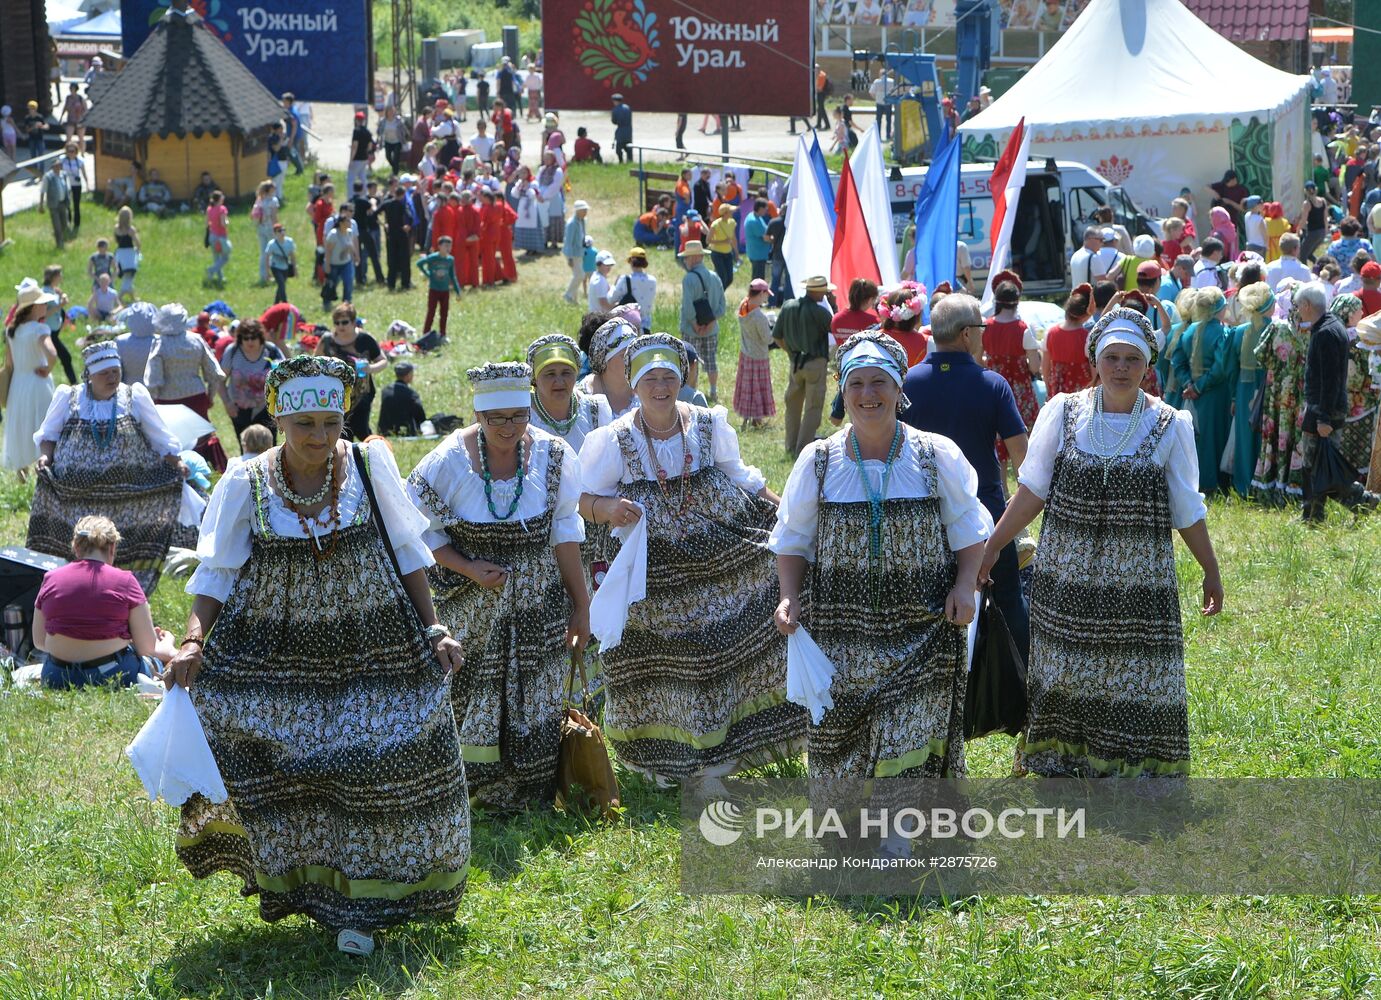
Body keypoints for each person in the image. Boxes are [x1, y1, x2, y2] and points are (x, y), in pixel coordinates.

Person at [169, 354, 469, 956]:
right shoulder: (247, 481)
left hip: (373, 643)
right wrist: (194, 640)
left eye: (332, 424)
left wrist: (435, 629)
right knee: (303, 772)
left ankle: (370, 900)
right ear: (279, 420)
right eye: (306, 424)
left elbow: (409, 553)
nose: (321, 438)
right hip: (276, 654)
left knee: (379, 766)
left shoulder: (367, 464)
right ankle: (316, 893)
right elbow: (219, 572)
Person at [980, 308, 1223, 779]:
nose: (1121, 368)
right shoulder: (1063, 412)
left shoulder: (1172, 424)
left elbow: (1187, 509)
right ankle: (1062, 757)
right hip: (1066, 575)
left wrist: (1210, 569)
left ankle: (1130, 764)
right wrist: (993, 545)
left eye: (1132, 358)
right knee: (1065, 668)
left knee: (1133, 672)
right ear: (1095, 360)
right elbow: (1032, 491)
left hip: (1139, 581)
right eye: (1112, 357)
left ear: (1147, 364)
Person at [577, 334, 796, 785]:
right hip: (652, 571)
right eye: (650, 379)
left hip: (720, 557)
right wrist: (608, 509)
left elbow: (744, 479)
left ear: (681, 380)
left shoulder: (707, 423)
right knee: (673, 658)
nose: (661, 387)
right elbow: (579, 498)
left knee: (726, 645)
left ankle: (728, 751)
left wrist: (788, 519)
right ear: (633, 385)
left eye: (669, 378)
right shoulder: (614, 440)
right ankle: (667, 760)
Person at [773, 329, 989, 783]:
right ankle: (850, 823)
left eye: (879, 383)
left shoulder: (935, 456)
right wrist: (789, 596)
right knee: (841, 735)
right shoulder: (819, 461)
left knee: (908, 729)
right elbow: (793, 539)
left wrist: (965, 585)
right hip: (841, 630)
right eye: (856, 384)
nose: (868, 395)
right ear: (842, 390)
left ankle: (900, 831)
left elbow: (969, 528)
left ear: (898, 388)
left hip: (922, 624)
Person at [404, 361, 589, 808]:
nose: (510, 428)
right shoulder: (447, 462)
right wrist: (468, 567)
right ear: (478, 417)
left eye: (519, 415)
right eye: (497, 419)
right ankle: (476, 795)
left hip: (538, 602)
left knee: (537, 689)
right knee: (473, 693)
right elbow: (419, 534)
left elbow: (564, 531)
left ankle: (533, 791)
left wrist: (581, 604)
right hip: (472, 604)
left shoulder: (553, 455)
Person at [903, 293, 1031, 661]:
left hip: (924, 514)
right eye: (981, 327)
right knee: (1008, 599)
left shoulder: (906, 383)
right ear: (964, 334)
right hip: (985, 514)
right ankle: (1017, 693)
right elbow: (1022, 456)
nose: (984, 334)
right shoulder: (991, 384)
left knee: (928, 608)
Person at [30, 340, 190, 593]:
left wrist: (177, 462)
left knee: (119, 550)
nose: (112, 377)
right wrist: (45, 457)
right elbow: (49, 434)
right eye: (105, 373)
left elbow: (160, 436)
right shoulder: (69, 397)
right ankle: (74, 594)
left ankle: (121, 598)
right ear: (90, 376)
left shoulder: (134, 397)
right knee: (80, 547)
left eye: (115, 371)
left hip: (126, 499)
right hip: (75, 497)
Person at [32, 515, 174, 689]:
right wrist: (166, 644)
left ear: (76, 547)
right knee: (152, 662)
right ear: (112, 548)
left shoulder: (51, 578)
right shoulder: (126, 581)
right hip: (111, 674)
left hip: (57, 676)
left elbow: (39, 641)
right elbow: (147, 648)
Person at [1296, 287, 1381, 521]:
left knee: (1318, 465)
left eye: (1298, 307)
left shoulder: (1325, 332)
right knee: (1317, 464)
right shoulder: (1331, 326)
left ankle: (1362, 500)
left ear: (1306, 306)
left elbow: (1330, 380)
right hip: (1326, 408)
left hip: (1323, 410)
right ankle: (1312, 514)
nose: (1297, 312)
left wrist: (1323, 418)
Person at [145, 303, 228, 472]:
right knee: (202, 435)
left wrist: (152, 403)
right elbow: (214, 373)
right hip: (196, 396)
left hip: (167, 400)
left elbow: (153, 380)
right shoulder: (195, 339)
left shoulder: (159, 343)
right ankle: (211, 471)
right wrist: (210, 397)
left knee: (172, 438)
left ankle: (176, 471)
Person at [1171, 286, 1233, 495]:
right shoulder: (1223, 332)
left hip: (1191, 393)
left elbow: (1177, 360)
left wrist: (1187, 383)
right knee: (1213, 437)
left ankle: (1193, 480)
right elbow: (1220, 367)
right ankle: (1211, 482)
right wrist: (1198, 387)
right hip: (1214, 393)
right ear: (1218, 309)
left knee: (1195, 438)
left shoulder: (1188, 330)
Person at [1225, 282, 1282, 498]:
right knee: (1266, 437)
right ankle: (1263, 484)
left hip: (1242, 390)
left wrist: (1232, 396)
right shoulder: (1276, 329)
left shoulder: (1238, 332)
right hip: (1268, 389)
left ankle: (1243, 485)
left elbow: (1230, 368)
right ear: (1268, 304)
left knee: (1244, 437)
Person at [983, 273, 1041, 470]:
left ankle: (1003, 491)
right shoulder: (1023, 329)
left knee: (995, 440)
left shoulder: (985, 327)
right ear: (1017, 301)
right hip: (1019, 392)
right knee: (1023, 443)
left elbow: (977, 360)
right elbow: (1034, 367)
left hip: (992, 389)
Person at [3, 280, 58, 475]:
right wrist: (47, 368)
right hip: (38, 383)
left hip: (18, 384)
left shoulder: (11, 330)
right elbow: (52, 354)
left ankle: (22, 474)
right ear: (34, 307)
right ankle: (43, 468)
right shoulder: (39, 329)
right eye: (43, 303)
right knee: (42, 424)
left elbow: (9, 364)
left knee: (21, 425)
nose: (46, 306)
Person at [777, 275, 835, 457]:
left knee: (792, 405)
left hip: (795, 362)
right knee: (813, 407)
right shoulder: (820, 312)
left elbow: (777, 337)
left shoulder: (787, 306)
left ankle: (790, 444)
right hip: (815, 363)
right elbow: (835, 327)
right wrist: (833, 305)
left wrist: (790, 353)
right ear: (818, 292)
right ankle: (802, 448)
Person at [314, 304, 386, 439]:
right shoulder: (327, 340)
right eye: (337, 323)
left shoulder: (365, 339)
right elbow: (315, 362)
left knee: (361, 429)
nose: (340, 326)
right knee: (341, 433)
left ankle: (373, 454)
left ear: (353, 322)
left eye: (345, 322)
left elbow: (383, 361)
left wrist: (370, 368)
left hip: (362, 393)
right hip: (335, 394)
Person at [218, 318, 284, 448]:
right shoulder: (232, 351)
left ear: (260, 337)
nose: (250, 341)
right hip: (239, 409)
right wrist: (227, 403)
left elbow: (285, 376)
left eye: (253, 337)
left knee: (269, 447)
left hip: (267, 408)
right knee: (247, 448)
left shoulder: (271, 351)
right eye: (245, 338)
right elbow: (220, 380)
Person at [678, 240, 727, 402]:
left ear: (693, 258)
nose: (685, 261)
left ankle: (692, 392)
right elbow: (722, 306)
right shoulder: (715, 277)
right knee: (711, 359)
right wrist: (710, 323)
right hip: (711, 329)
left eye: (686, 258)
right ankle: (713, 390)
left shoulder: (688, 279)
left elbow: (687, 306)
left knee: (692, 362)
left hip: (692, 330)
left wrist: (695, 325)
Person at [734, 278, 776, 429]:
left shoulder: (743, 305)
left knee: (747, 387)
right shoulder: (759, 317)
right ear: (761, 293)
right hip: (759, 356)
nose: (767, 297)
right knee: (758, 388)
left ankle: (746, 417)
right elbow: (768, 339)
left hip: (746, 352)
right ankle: (757, 418)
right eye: (766, 294)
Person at [577, 315, 639, 418]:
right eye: (624, 354)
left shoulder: (644, 390)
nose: (632, 359)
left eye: (635, 352)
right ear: (604, 359)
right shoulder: (582, 396)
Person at [1042, 283, 1093, 395]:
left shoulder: (1050, 333)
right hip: (1080, 392)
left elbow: (1045, 367)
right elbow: (1093, 371)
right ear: (1087, 314)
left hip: (1057, 391)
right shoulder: (1087, 337)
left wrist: (1048, 388)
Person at [415, 236, 463, 339]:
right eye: (446, 246)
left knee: (444, 313)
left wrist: (458, 291)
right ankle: (426, 333)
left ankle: (443, 334)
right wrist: (428, 274)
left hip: (445, 291)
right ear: (439, 246)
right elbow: (419, 263)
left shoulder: (450, 259)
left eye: (450, 246)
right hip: (434, 290)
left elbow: (452, 276)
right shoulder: (433, 258)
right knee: (431, 312)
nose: (448, 248)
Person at [609, 248, 657, 331]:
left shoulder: (625, 279)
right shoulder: (653, 280)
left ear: (632, 261)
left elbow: (611, 299)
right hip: (646, 326)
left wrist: (614, 285)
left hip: (629, 326)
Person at [322, 206, 360, 306]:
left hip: (346, 263)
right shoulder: (333, 234)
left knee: (348, 282)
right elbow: (328, 251)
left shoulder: (349, 232)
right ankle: (327, 301)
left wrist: (356, 255)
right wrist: (327, 265)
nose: (350, 223)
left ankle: (346, 303)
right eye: (348, 221)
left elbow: (351, 245)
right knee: (332, 283)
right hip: (333, 264)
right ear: (341, 223)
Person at [378, 361, 427, 436]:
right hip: (405, 431)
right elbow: (421, 417)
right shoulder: (411, 394)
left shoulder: (385, 390)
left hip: (385, 431)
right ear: (408, 375)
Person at [830, 277, 879, 352]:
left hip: (843, 361)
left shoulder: (836, 319)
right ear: (870, 300)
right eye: (874, 300)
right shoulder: (874, 322)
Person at [38, 158, 69, 250]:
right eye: (56, 166)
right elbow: (43, 191)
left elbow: (66, 188)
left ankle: (60, 237)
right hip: (53, 205)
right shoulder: (48, 177)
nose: (58, 167)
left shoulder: (63, 175)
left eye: (59, 165)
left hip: (62, 203)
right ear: (52, 167)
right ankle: (59, 243)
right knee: (57, 225)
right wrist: (41, 205)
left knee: (64, 224)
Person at [562, 200, 588, 304]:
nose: (586, 212)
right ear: (578, 211)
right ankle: (568, 294)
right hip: (573, 253)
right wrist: (569, 258)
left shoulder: (582, 221)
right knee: (580, 275)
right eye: (583, 210)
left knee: (578, 275)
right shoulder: (571, 223)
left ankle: (573, 299)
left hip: (580, 251)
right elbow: (568, 242)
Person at [203, 191, 231, 288]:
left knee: (216, 258)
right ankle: (211, 270)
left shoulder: (209, 209)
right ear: (219, 199)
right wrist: (227, 222)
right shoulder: (222, 209)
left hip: (212, 236)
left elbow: (207, 223)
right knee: (225, 257)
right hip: (221, 236)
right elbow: (224, 223)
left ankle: (220, 277)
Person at [1296, 182, 1330, 262]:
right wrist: (1326, 231)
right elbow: (1326, 218)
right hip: (1321, 232)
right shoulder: (1323, 201)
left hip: (1313, 233)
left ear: (1305, 191)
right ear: (1316, 189)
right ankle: (1319, 266)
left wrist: (1297, 230)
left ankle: (1305, 273)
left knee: (1302, 255)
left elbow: (1304, 220)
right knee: (1309, 254)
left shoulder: (1307, 204)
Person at [611, 93, 633, 164]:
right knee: (629, 149)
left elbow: (614, 121)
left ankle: (621, 161)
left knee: (618, 149)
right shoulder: (628, 108)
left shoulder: (615, 110)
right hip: (628, 131)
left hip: (620, 131)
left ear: (615, 101)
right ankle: (630, 162)